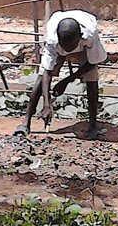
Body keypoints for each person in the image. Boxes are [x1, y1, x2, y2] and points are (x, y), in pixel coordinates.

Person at [15, 10, 107, 139]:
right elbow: (47, 71)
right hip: (61, 41)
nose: (68, 49)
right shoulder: (52, 39)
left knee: (92, 79)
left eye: (71, 45)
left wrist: (66, 81)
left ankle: (92, 126)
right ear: (59, 39)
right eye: (65, 46)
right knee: (40, 78)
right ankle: (25, 123)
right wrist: (47, 105)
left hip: (84, 48)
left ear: (80, 36)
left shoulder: (90, 35)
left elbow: (93, 62)